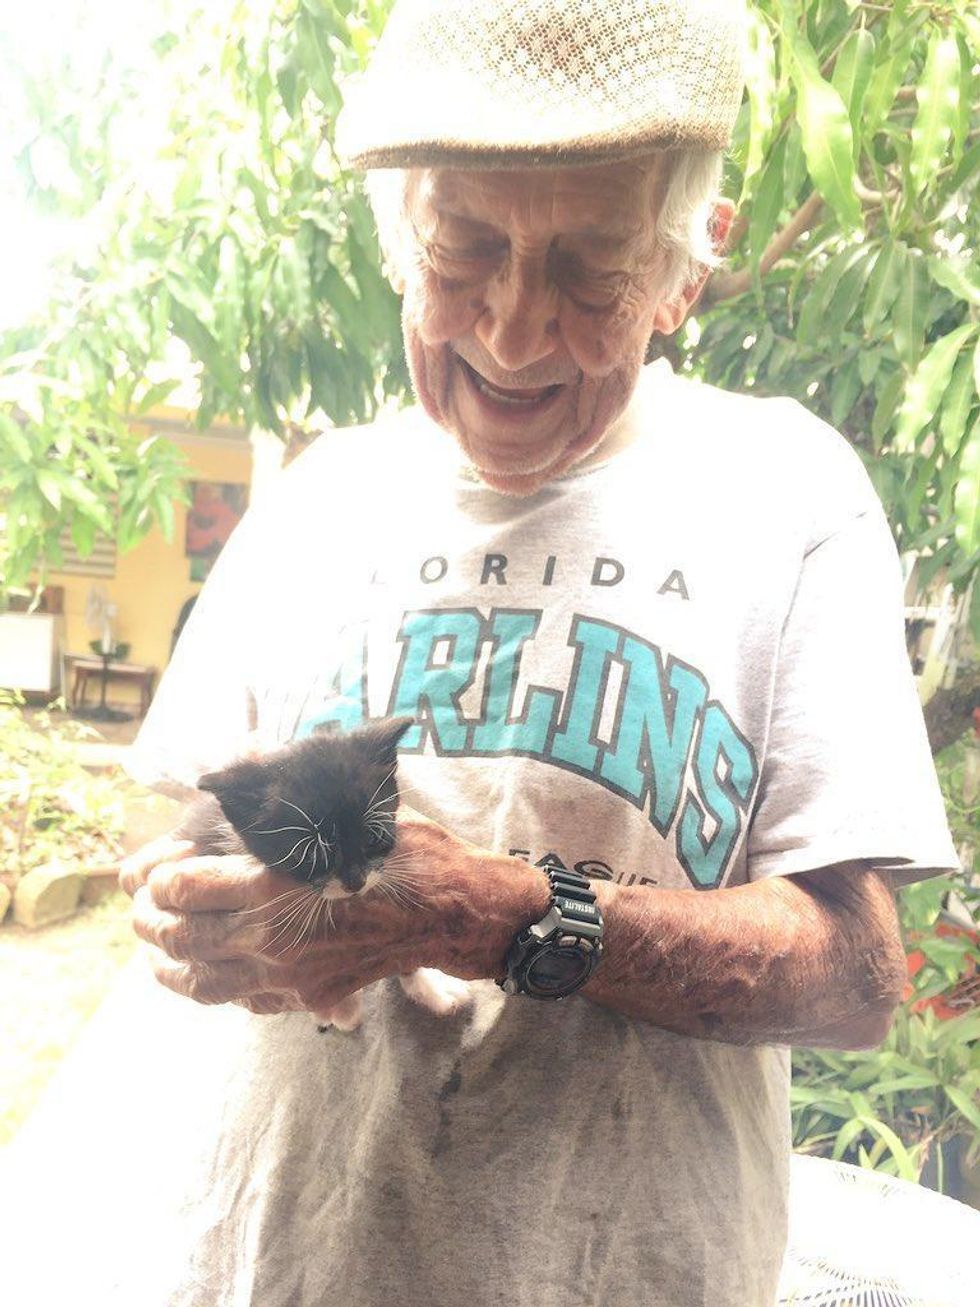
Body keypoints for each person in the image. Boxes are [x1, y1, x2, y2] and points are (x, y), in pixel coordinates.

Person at [119, 2, 958, 1304]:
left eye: (588, 268)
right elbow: (168, 842)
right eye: (463, 249)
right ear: (400, 240)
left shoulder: (788, 494)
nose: (512, 332)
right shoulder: (319, 497)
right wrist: (196, 920)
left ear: (685, 268)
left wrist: (500, 915)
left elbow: (852, 978)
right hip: (285, 1265)